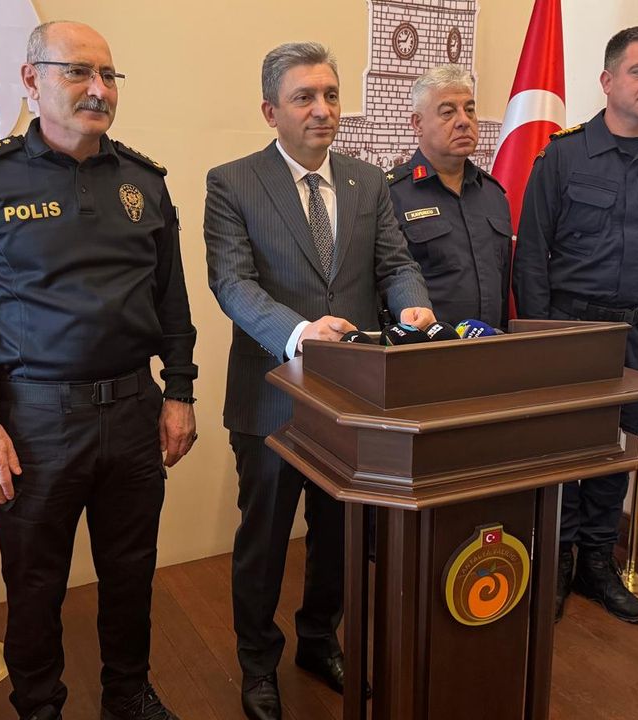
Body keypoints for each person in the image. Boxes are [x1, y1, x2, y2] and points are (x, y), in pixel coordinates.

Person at [0, 20, 196, 720]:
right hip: (34, 421)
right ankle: (39, 706)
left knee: (131, 573)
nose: (98, 89)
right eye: (78, 71)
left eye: (108, 75)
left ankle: (128, 696)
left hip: (135, 412)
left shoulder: (143, 181)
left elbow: (171, 300)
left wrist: (179, 392)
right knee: (35, 584)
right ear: (32, 79)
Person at [203, 42, 433, 720]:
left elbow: (396, 264)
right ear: (270, 111)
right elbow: (233, 283)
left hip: (352, 401)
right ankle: (257, 666)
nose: (323, 109)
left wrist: (412, 304)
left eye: (330, 95)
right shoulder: (233, 182)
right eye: (304, 97)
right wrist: (300, 332)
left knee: (338, 536)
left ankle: (317, 639)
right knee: (265, 542)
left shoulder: (367, 181)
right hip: (272, 394)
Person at [512, 25, 638, 625]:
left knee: (618, 451)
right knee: (564, 449)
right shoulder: (563, 155)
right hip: (570, 328)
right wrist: (542, 337)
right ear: (607, 80)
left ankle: (598, 563)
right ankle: (559, 561)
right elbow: (531, 254)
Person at [387, 64, 512, 329]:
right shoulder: (391, 195)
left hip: (490, 344)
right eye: (448, 112)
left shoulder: (493, 194)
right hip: (424, 347)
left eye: (470, 109)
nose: (464, 121)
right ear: (417, 124)